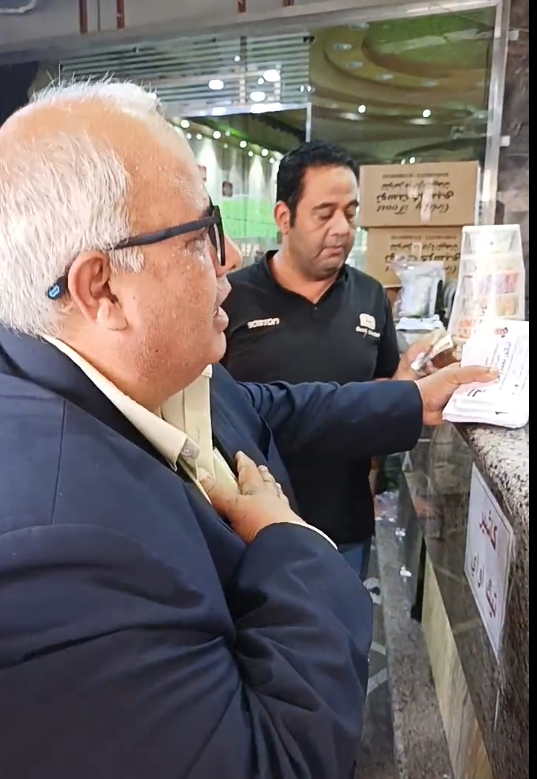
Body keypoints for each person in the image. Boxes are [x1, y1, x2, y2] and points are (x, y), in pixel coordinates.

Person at [0, 80, 495, 779]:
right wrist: (290, 540)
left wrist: (411, 401)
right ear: (102, 288)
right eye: (201, 233)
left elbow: (265, 407)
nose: (230, 254)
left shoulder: (154, 374)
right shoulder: (55, 548)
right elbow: (275, 760)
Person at [222, 141, 429, 580]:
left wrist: (409, 384)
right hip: (248, 534)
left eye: (350, 214)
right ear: (284, 217)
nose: (341, 229)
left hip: (345, 529)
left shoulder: (371, 296)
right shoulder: (231, 298)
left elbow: (382, 398)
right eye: (324, 214)